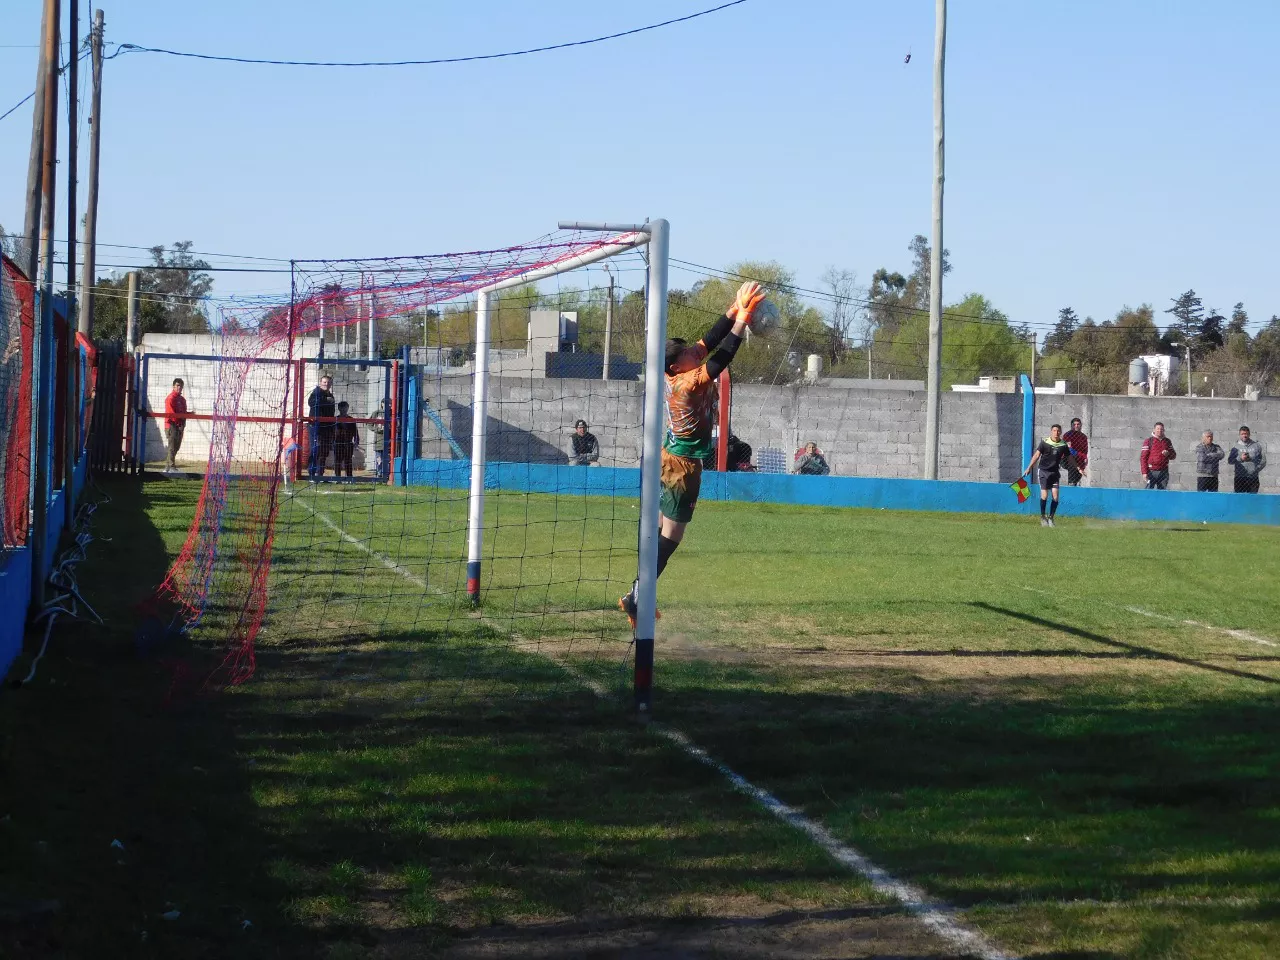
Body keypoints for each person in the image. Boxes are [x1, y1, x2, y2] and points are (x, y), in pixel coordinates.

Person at [618, 280, 766, 626]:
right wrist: (743, 319)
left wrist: (733, 308)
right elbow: (724, 355)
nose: (694, 351)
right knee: (672, 535)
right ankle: (638, 596)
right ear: (676, 366)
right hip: (682, 467)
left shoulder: (677, 373)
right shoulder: (688, 382)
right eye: (687, 353)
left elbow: (710, 341)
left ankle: (638, 595)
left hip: (665, 457)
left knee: (656, 531)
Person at [1021, 423, 1082, 526]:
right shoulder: (1045, 442)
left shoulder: (1063, 445)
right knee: (1044, 495)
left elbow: (1070, 457)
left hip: (1054, 473)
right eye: (1054, 430)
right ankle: (1043, 517)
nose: (1056, 432)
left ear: (1061, 432)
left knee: (1055, 496)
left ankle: (1051, 518)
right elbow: (1036, 455)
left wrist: (1078, 468)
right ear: (1051, 432)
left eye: (1058, 431)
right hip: (1043, 471)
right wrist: (1029, 468)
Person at [307, 374, 336, 480]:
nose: (326, 384)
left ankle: (320, 474)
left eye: (328, 382)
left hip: (327, 426)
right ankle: (312, 474)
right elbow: (312, 403)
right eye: (324, 382)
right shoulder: (316, 392)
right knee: (315, 449)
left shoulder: (330, 395)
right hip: (316, 425)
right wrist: (326, 401)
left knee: (324, 450)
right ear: (320, 383)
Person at [1229, 425, 1266, 494]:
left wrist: (1256, 469)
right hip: (1239, 477)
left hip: (1253, 478)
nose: (1244, 435)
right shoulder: (1235, 446)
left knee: (1252, 499)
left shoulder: (1256, 445)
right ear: (1239, 435)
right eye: (1242, 434)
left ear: (1249, 434)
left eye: (1246, 434)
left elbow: (1263, 460)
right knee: (1239, 499)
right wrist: (1240, 458)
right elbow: (1230, 461)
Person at [1140, 422, 1176, 490]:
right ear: (1154, 430)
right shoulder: (1148, 441)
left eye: (1161, 429)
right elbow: (1143, 458)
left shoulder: (1167, 441)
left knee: (1162, 494)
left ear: (1164, 430)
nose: (1159, 430)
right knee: (1148, 493)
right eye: (1158, 429)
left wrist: (1168, 454)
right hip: (1150, 472)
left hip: (1163, 472)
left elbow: (1173, 456)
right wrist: (1144, 473)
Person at [163, 378, 189, 474]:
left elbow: (183, 412)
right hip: (172, 425)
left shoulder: (182, 400)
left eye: (181, 386)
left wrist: (189, 414)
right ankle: (171, 467)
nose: (179, 387)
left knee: (176, 447)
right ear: (173, 386)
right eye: (177, 385)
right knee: (172, 446)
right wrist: (179, 421)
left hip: (180, 425)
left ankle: (167, 467)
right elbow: (171, 413)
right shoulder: (170, 398)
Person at [333, 401, 360, 478]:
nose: (344, 409)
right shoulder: (336, 419)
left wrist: (356, 441)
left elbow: (355, 431)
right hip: (338, 443)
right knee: (338, 461)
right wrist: (332, 442)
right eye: (342, 407)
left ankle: (349, 477)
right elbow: (332, 432)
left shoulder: (351, 419)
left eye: (345, 407)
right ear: (339, 408)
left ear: (347, 408)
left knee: (348, 461)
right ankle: (338, 477)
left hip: (348, 442)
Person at [1062, 418, 1089, 486]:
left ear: (1081, 425)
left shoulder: (1084, 437)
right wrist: (1082, 456)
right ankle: (1071, 483)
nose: (1076, 426)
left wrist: (1085, 458)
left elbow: (1085, 451)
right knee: (1072, 457)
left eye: (1078, 424)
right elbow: (1070, 450)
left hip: (1079, 458)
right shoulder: (1067, 435)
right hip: (1066, 458)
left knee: (1078, 477)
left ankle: (1074, 483)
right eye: (1074, 424)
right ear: (1071, 426)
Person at [371, 399, 387, 478]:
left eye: (390, 403)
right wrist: (376, 429)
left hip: (389, 439)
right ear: (382, 404)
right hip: (378, 439)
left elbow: (397, 424)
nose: (389, 405)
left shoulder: (393, 413)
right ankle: (379, 473)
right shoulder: (376, 413)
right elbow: (369, 424)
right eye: (386, 403)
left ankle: (386, 473)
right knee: (379, 457)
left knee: (387, 458)